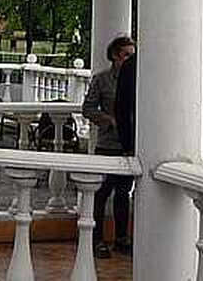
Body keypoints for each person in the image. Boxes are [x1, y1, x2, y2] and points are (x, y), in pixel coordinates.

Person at [82, 35, 136, 258]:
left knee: (123, 193)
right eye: (126, 55)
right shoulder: (102, 80)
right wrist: (109, 121)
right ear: (115, 55)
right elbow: (88, 108)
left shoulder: (137, 80)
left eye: (133, 55)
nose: (130, 59)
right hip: (107, 144)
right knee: (102, 193)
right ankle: (97, 239)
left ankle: (122, 237)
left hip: (129, 145)